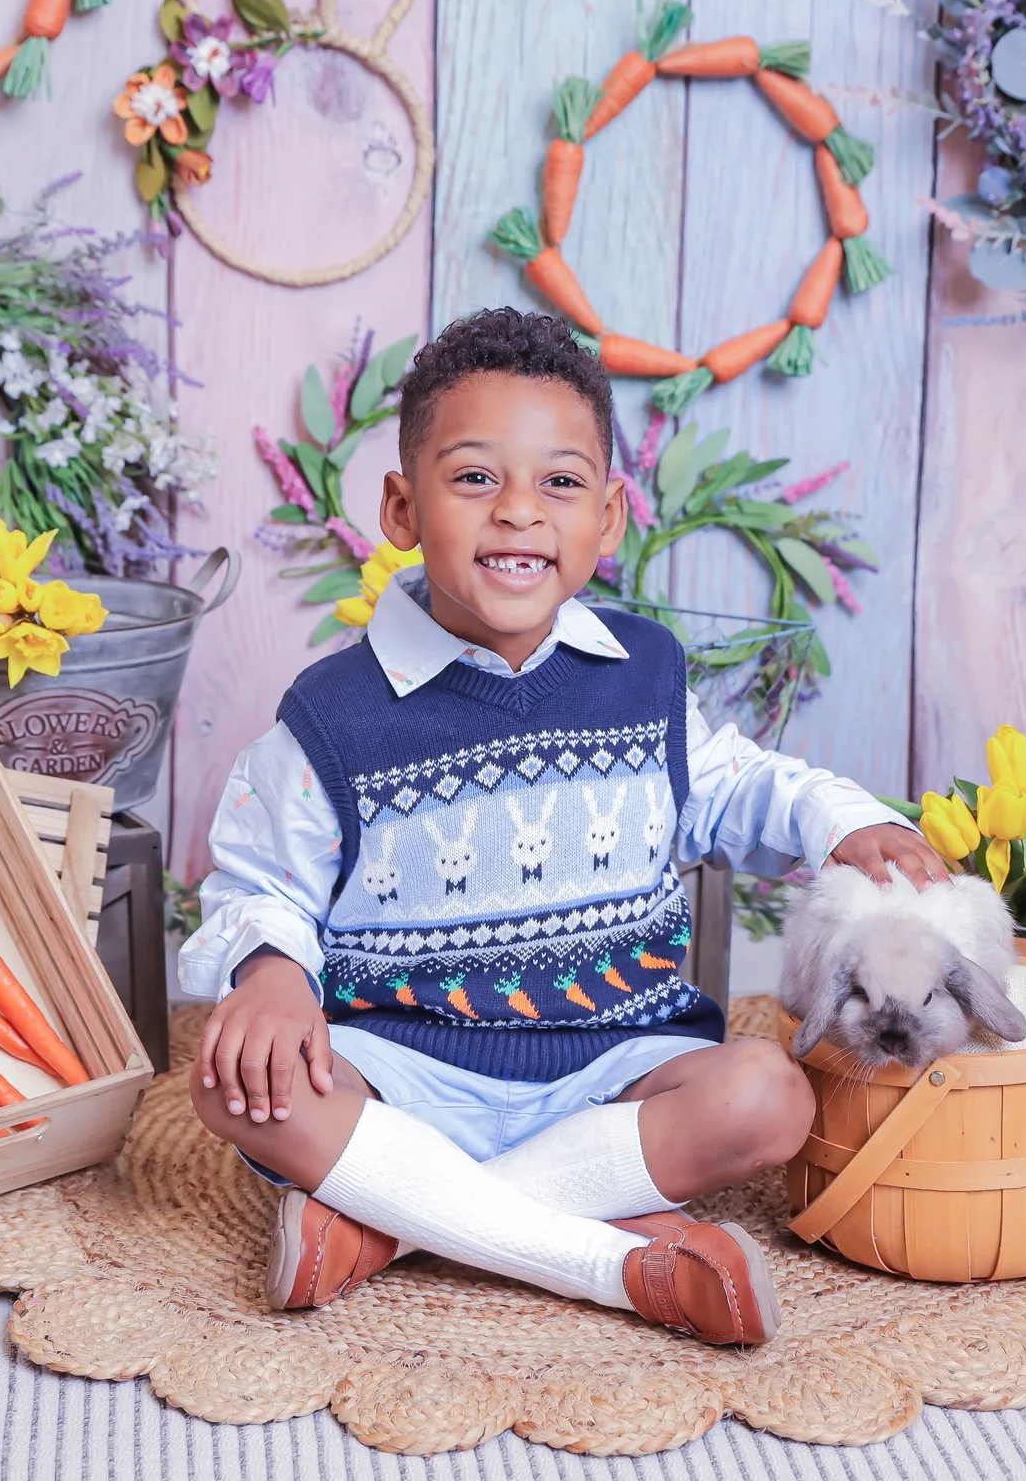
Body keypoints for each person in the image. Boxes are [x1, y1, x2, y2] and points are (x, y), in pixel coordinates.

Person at [177, 307, 947, 1344]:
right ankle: (608, 1263)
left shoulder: (640, 674)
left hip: (613, 1060)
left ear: (609, 517)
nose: (519, 513)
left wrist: (842, 821)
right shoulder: (332, 716)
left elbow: (735, 783)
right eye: (474, 477)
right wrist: (269, 969)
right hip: (407, 1066)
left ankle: (392, 1223)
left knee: (768, 1095)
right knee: (239, 1089)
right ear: (401, 507)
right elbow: (260, 883)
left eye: (560, 482)